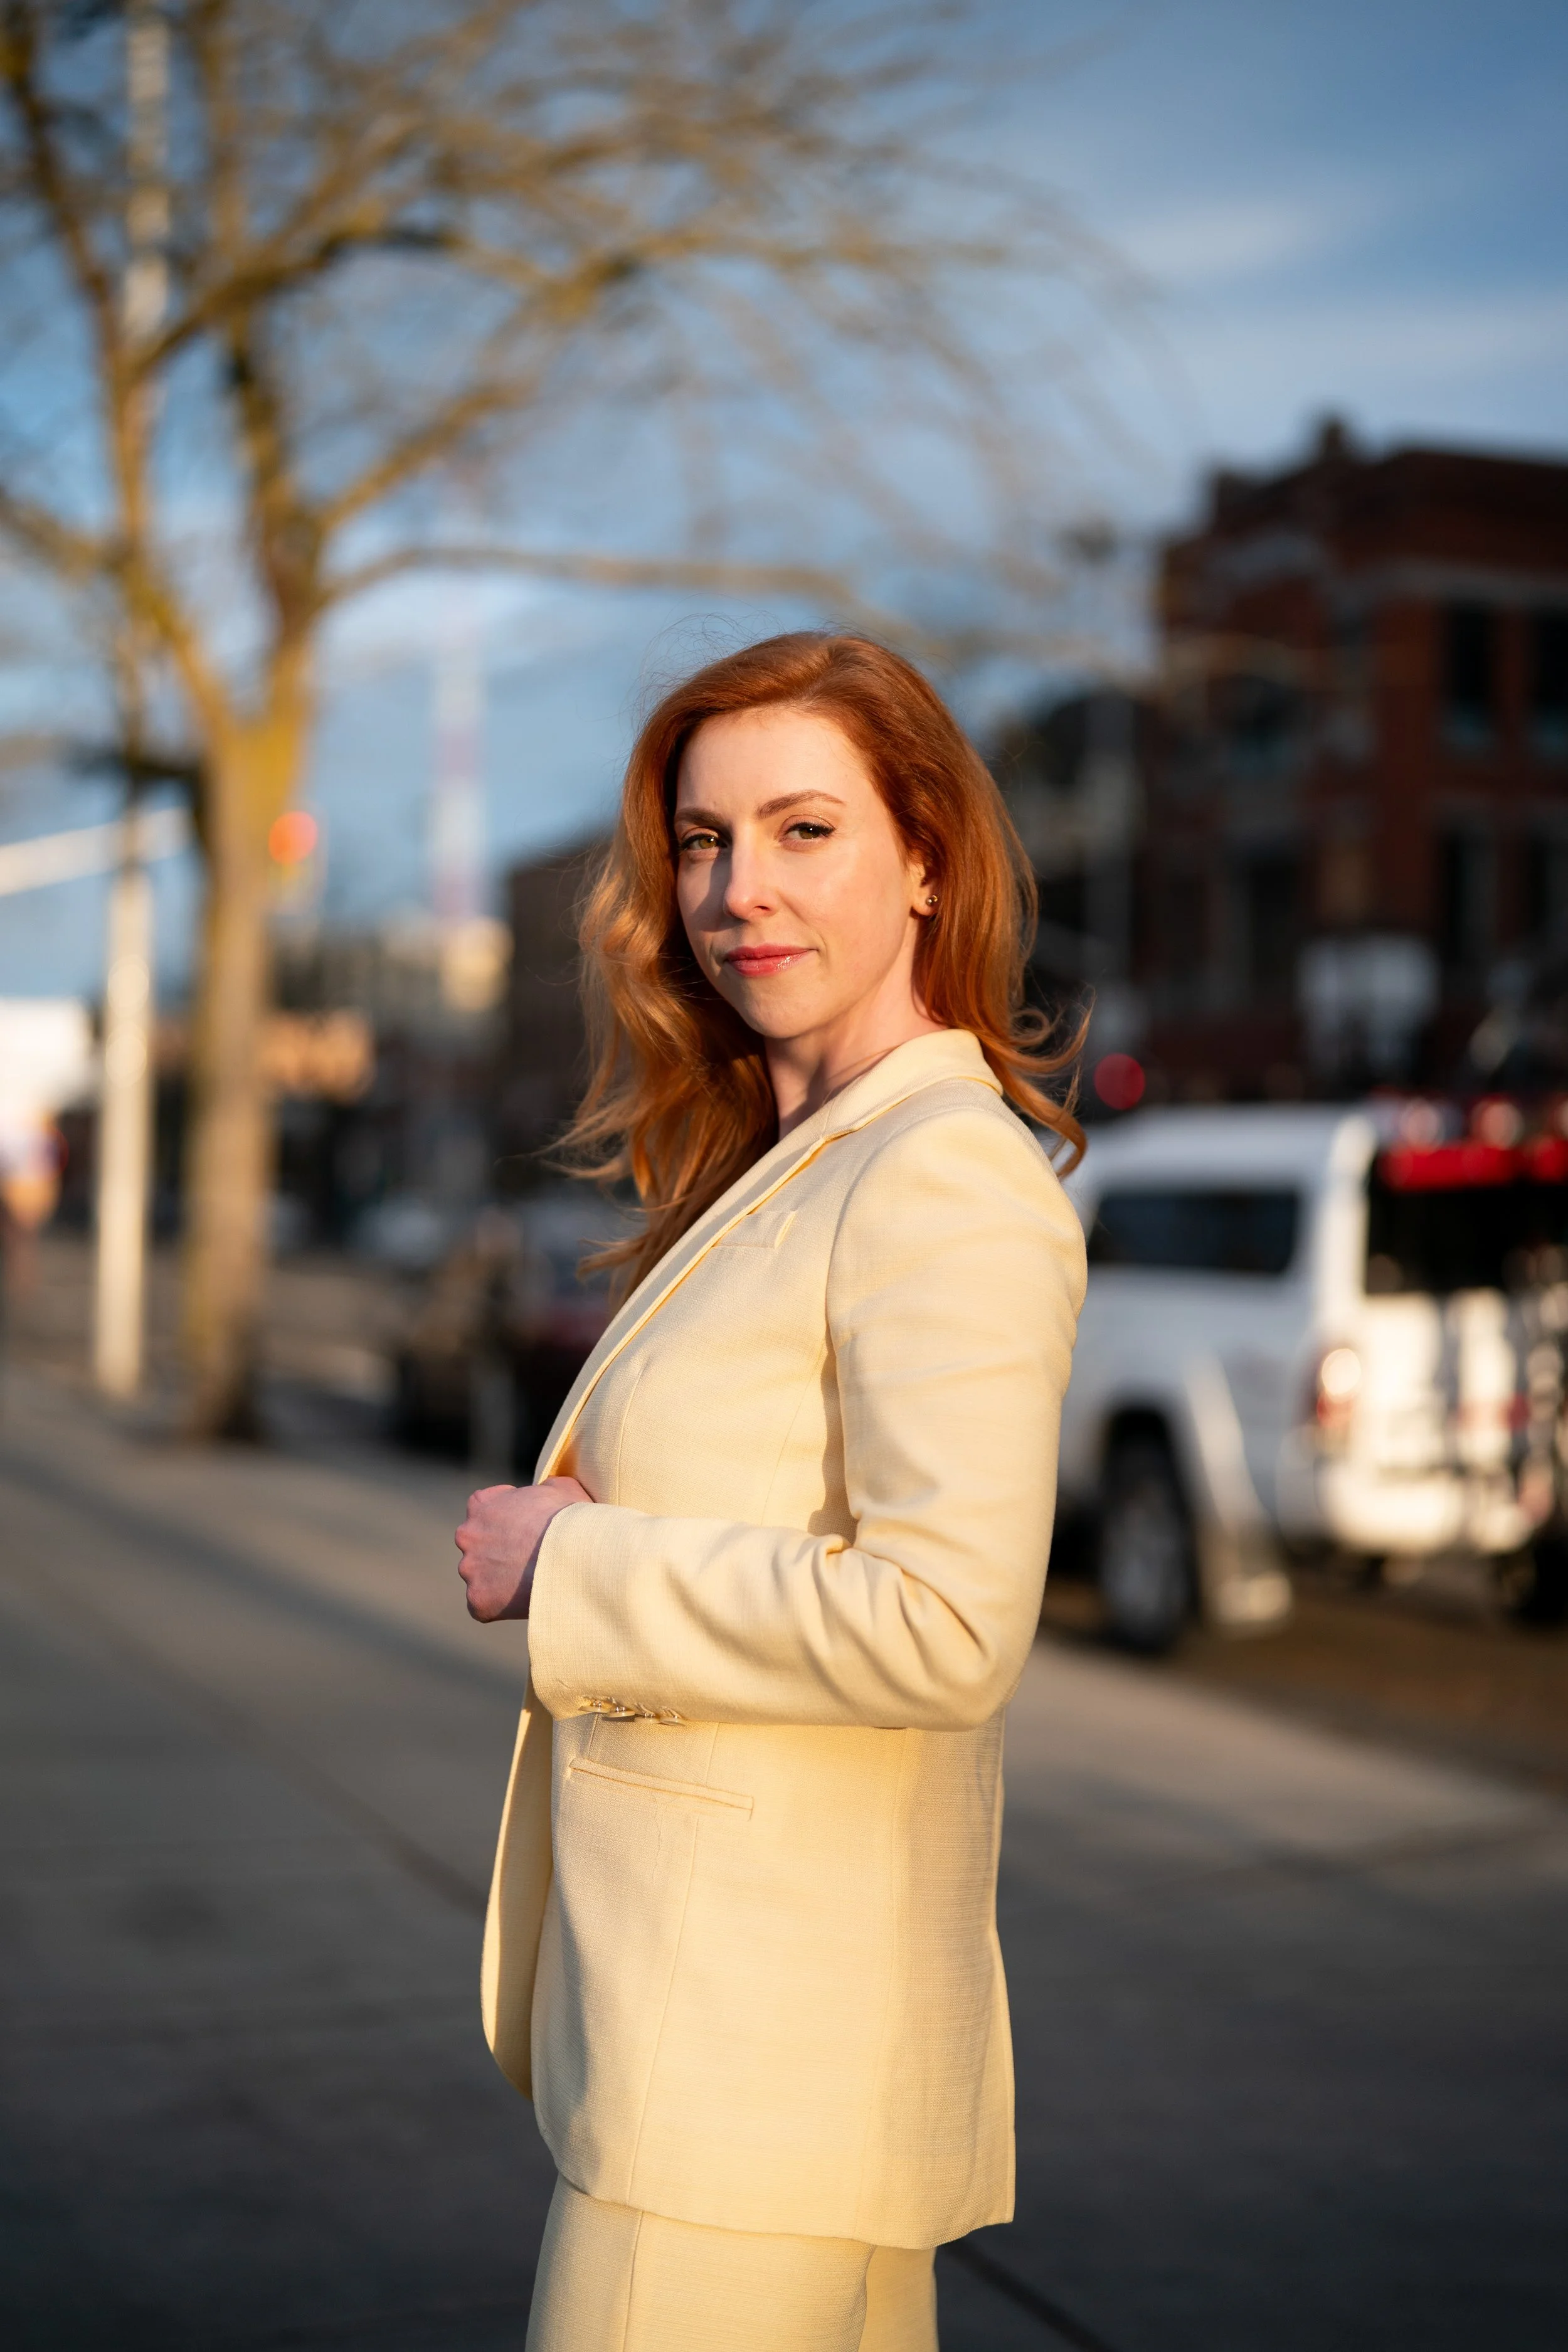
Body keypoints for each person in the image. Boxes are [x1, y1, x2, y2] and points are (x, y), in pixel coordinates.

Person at [455, 633, 1086, 2351]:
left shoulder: (940, 1176)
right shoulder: (801, 1159)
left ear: (927, 859)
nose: (740, 888)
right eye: (704, 839)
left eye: (805, 829)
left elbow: (945, 1625)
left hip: (742, 2090)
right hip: (731, 2073)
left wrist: (574, 1566)